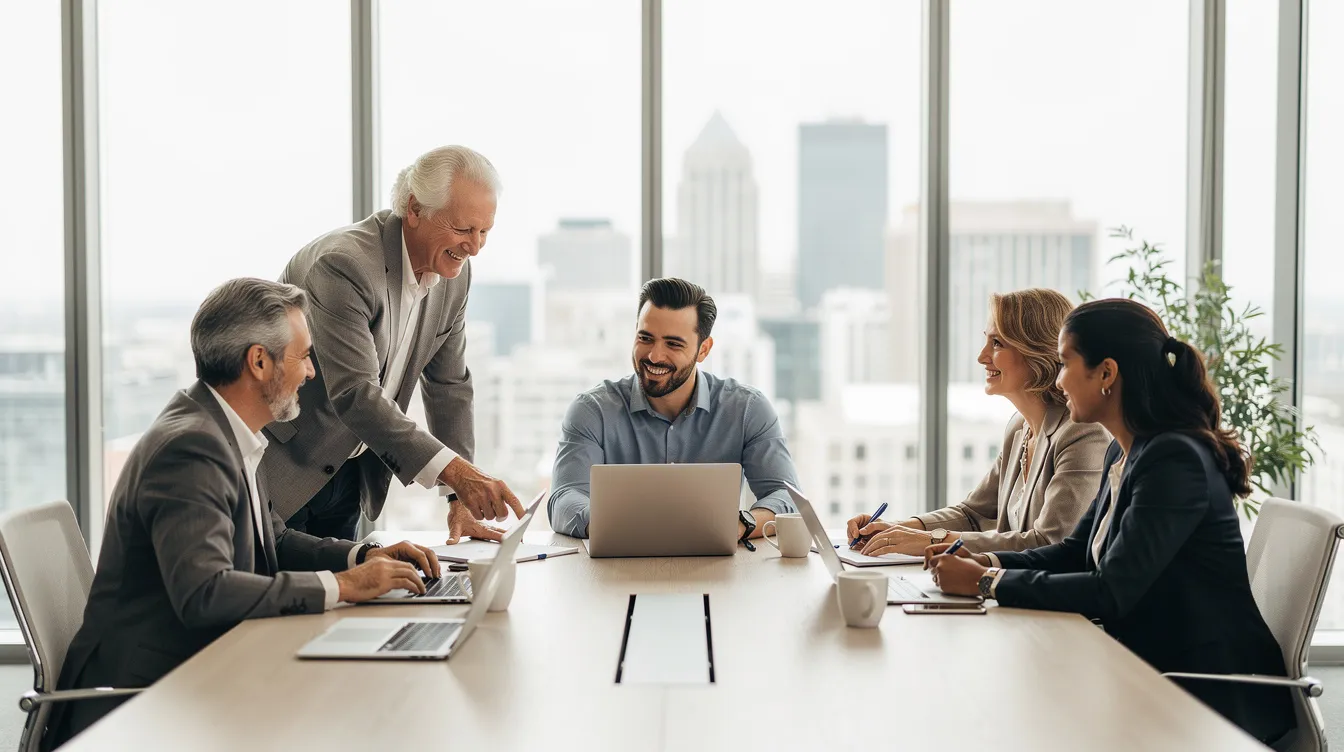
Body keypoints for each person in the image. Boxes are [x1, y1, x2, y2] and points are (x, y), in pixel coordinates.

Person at [45, 279, 441, 750]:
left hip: (195, 676)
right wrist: (345, 587)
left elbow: (273, 540)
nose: (312, 373)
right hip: (142, 701)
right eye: (303, 356)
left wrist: (360, 555)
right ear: (258, 362)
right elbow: (205, 593)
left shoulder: (228, 431)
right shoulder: (191, 448)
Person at [926, 298, 1295, 745]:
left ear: (1106, 373)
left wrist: (987, 582)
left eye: (1064, 364)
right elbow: (1074, 553)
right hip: (1146, 668)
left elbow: (1112, 590)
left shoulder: (1173, 459)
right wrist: (981, 558)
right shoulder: (1125, 451)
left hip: (1205, 694)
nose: (1058, 381)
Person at [260, 145, 522, 545]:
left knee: (342, 597)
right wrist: (455, 472)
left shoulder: (454, 277)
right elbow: (356, 392)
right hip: (286, 465)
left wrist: (458, 498)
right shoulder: (344, 265)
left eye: (484, 231)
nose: (475, 246)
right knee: (282, 598)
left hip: (351, 471)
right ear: (415, 209)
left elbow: (450, 387)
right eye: (463, 229)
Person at [847, 289, 1110, 557]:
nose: (982, 356)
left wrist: (930, 540)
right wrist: (895, 529)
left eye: (997, 343)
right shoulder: (1020, 428)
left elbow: (1050, 543)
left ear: (1037, 349)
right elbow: (973, 513)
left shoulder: (1083, 434)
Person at [548, 278, 799, 542]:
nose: (655, 356)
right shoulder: (592, 411)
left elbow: (787, 497)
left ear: (703, 349)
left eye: (673, 344)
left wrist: (737, 524)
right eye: (645, 338)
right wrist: (619, 526)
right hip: (616, 572)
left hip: (719, 573)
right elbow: (565, 498)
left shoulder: (747, 408)